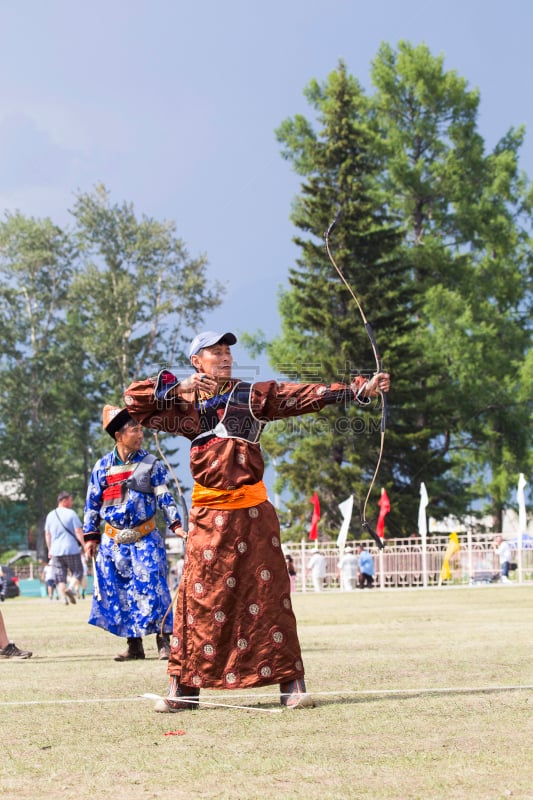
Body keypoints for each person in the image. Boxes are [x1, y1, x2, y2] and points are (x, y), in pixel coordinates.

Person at [123, 329, 390, 712]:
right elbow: (134, 400)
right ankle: (184, 690)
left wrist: (358, 389)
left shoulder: (251, 396)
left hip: (252, 516)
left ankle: (292, 687)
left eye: (227, 350)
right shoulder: (183, 411)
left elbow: (300, 396)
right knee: (197, 600)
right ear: (197, 362)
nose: (225, 356)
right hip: (207, 518)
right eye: (214, 352)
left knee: (269, 598)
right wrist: (178, 388)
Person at [83, 405, 183, 661]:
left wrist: (177, 525)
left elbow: (164, 497)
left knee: (154, 586)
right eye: (134, 429)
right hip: (113, 542)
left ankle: (164, 642)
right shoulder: (102, 467)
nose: (140, 434)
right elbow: (92, 504)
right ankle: (134, 645)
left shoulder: (151, 464)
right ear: (119, 435)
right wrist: (90, 537)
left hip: (145, 537)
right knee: (122, 592)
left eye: (141, 429)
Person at [44, 491, 85, 605]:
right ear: (64, 500)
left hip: (56, 551)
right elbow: (78, 531)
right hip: (71, 548)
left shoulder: (50, 515)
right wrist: (84, 545)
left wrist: (49, 549)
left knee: (59, 576)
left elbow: (47, 534)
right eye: (70, 500)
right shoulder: (71, 514)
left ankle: (64, 598)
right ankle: (70, 589)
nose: (72, 502)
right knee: (78, 572)